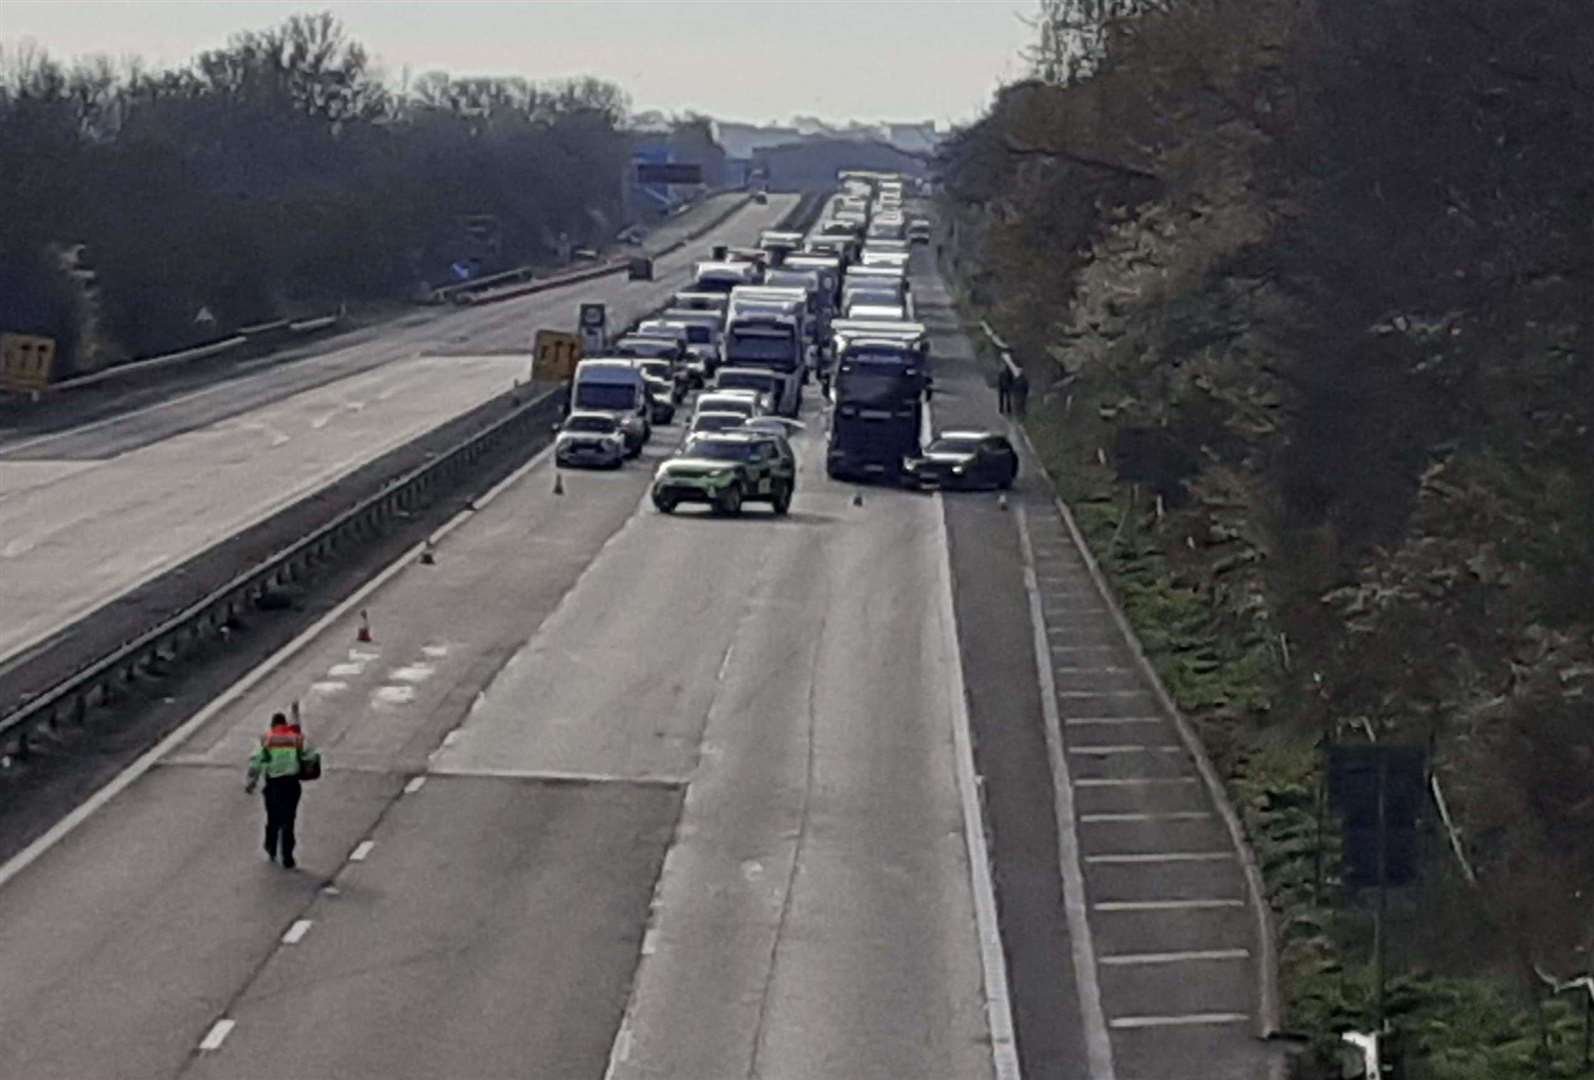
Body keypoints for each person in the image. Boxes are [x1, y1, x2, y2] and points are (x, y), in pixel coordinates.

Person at [245, 710, 319, 869]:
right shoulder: (296, 738)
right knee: (289, 820)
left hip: (273, 784)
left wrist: (251, 782)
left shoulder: (267, 739)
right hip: (291, 784)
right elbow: (311, 756)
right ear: (285, 724)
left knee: (273, 817)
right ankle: (288, 856)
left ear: (272, 725)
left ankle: (271, 847)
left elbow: (256, 762)